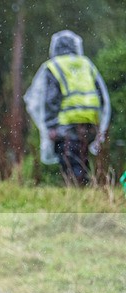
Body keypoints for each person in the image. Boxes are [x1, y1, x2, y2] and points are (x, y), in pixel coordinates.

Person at [24, 30, 110, 186]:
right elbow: (101, 95)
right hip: (91, 122)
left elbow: (50, 99)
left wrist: (50, 126)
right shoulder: (86, 64)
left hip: (66, 125)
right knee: (82, 159)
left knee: (70, 162)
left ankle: (80, 194)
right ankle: (87, 191)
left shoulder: (53, 66)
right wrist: (100, 126)